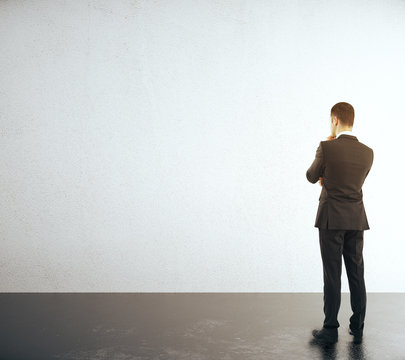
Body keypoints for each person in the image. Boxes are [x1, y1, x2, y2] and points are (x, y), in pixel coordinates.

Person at [306, 102, 374, 345]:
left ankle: (330, 328)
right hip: (356, 219)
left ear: (335, 120)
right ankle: (358, 325)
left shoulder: (326, 147)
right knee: (357, 272)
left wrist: (326, 171)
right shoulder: (368, 152)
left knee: (332, 273)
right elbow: (356, 182)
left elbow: (312, 176)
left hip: (331, 218)